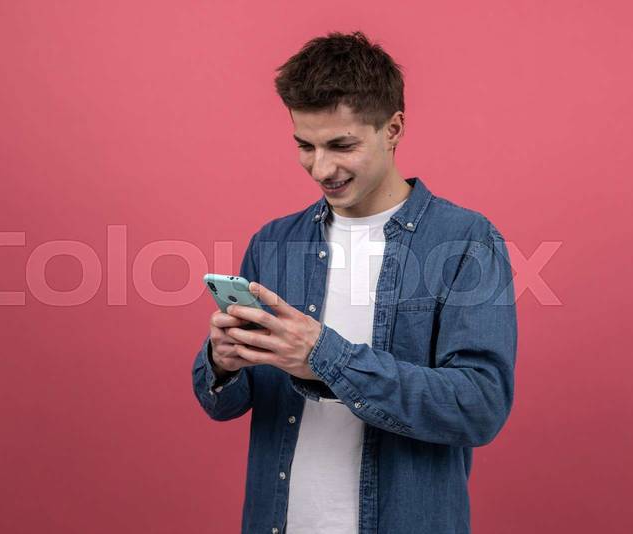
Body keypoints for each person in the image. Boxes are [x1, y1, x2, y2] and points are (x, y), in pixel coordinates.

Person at [191, 30, 518, 534]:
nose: (321, 168)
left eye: (342, 145)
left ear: (393, 128)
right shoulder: (275, 241)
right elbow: (225, 404)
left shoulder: (466, 240)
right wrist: (222, 362)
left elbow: (478, 407)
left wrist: (323, 355)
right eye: (305, 145)